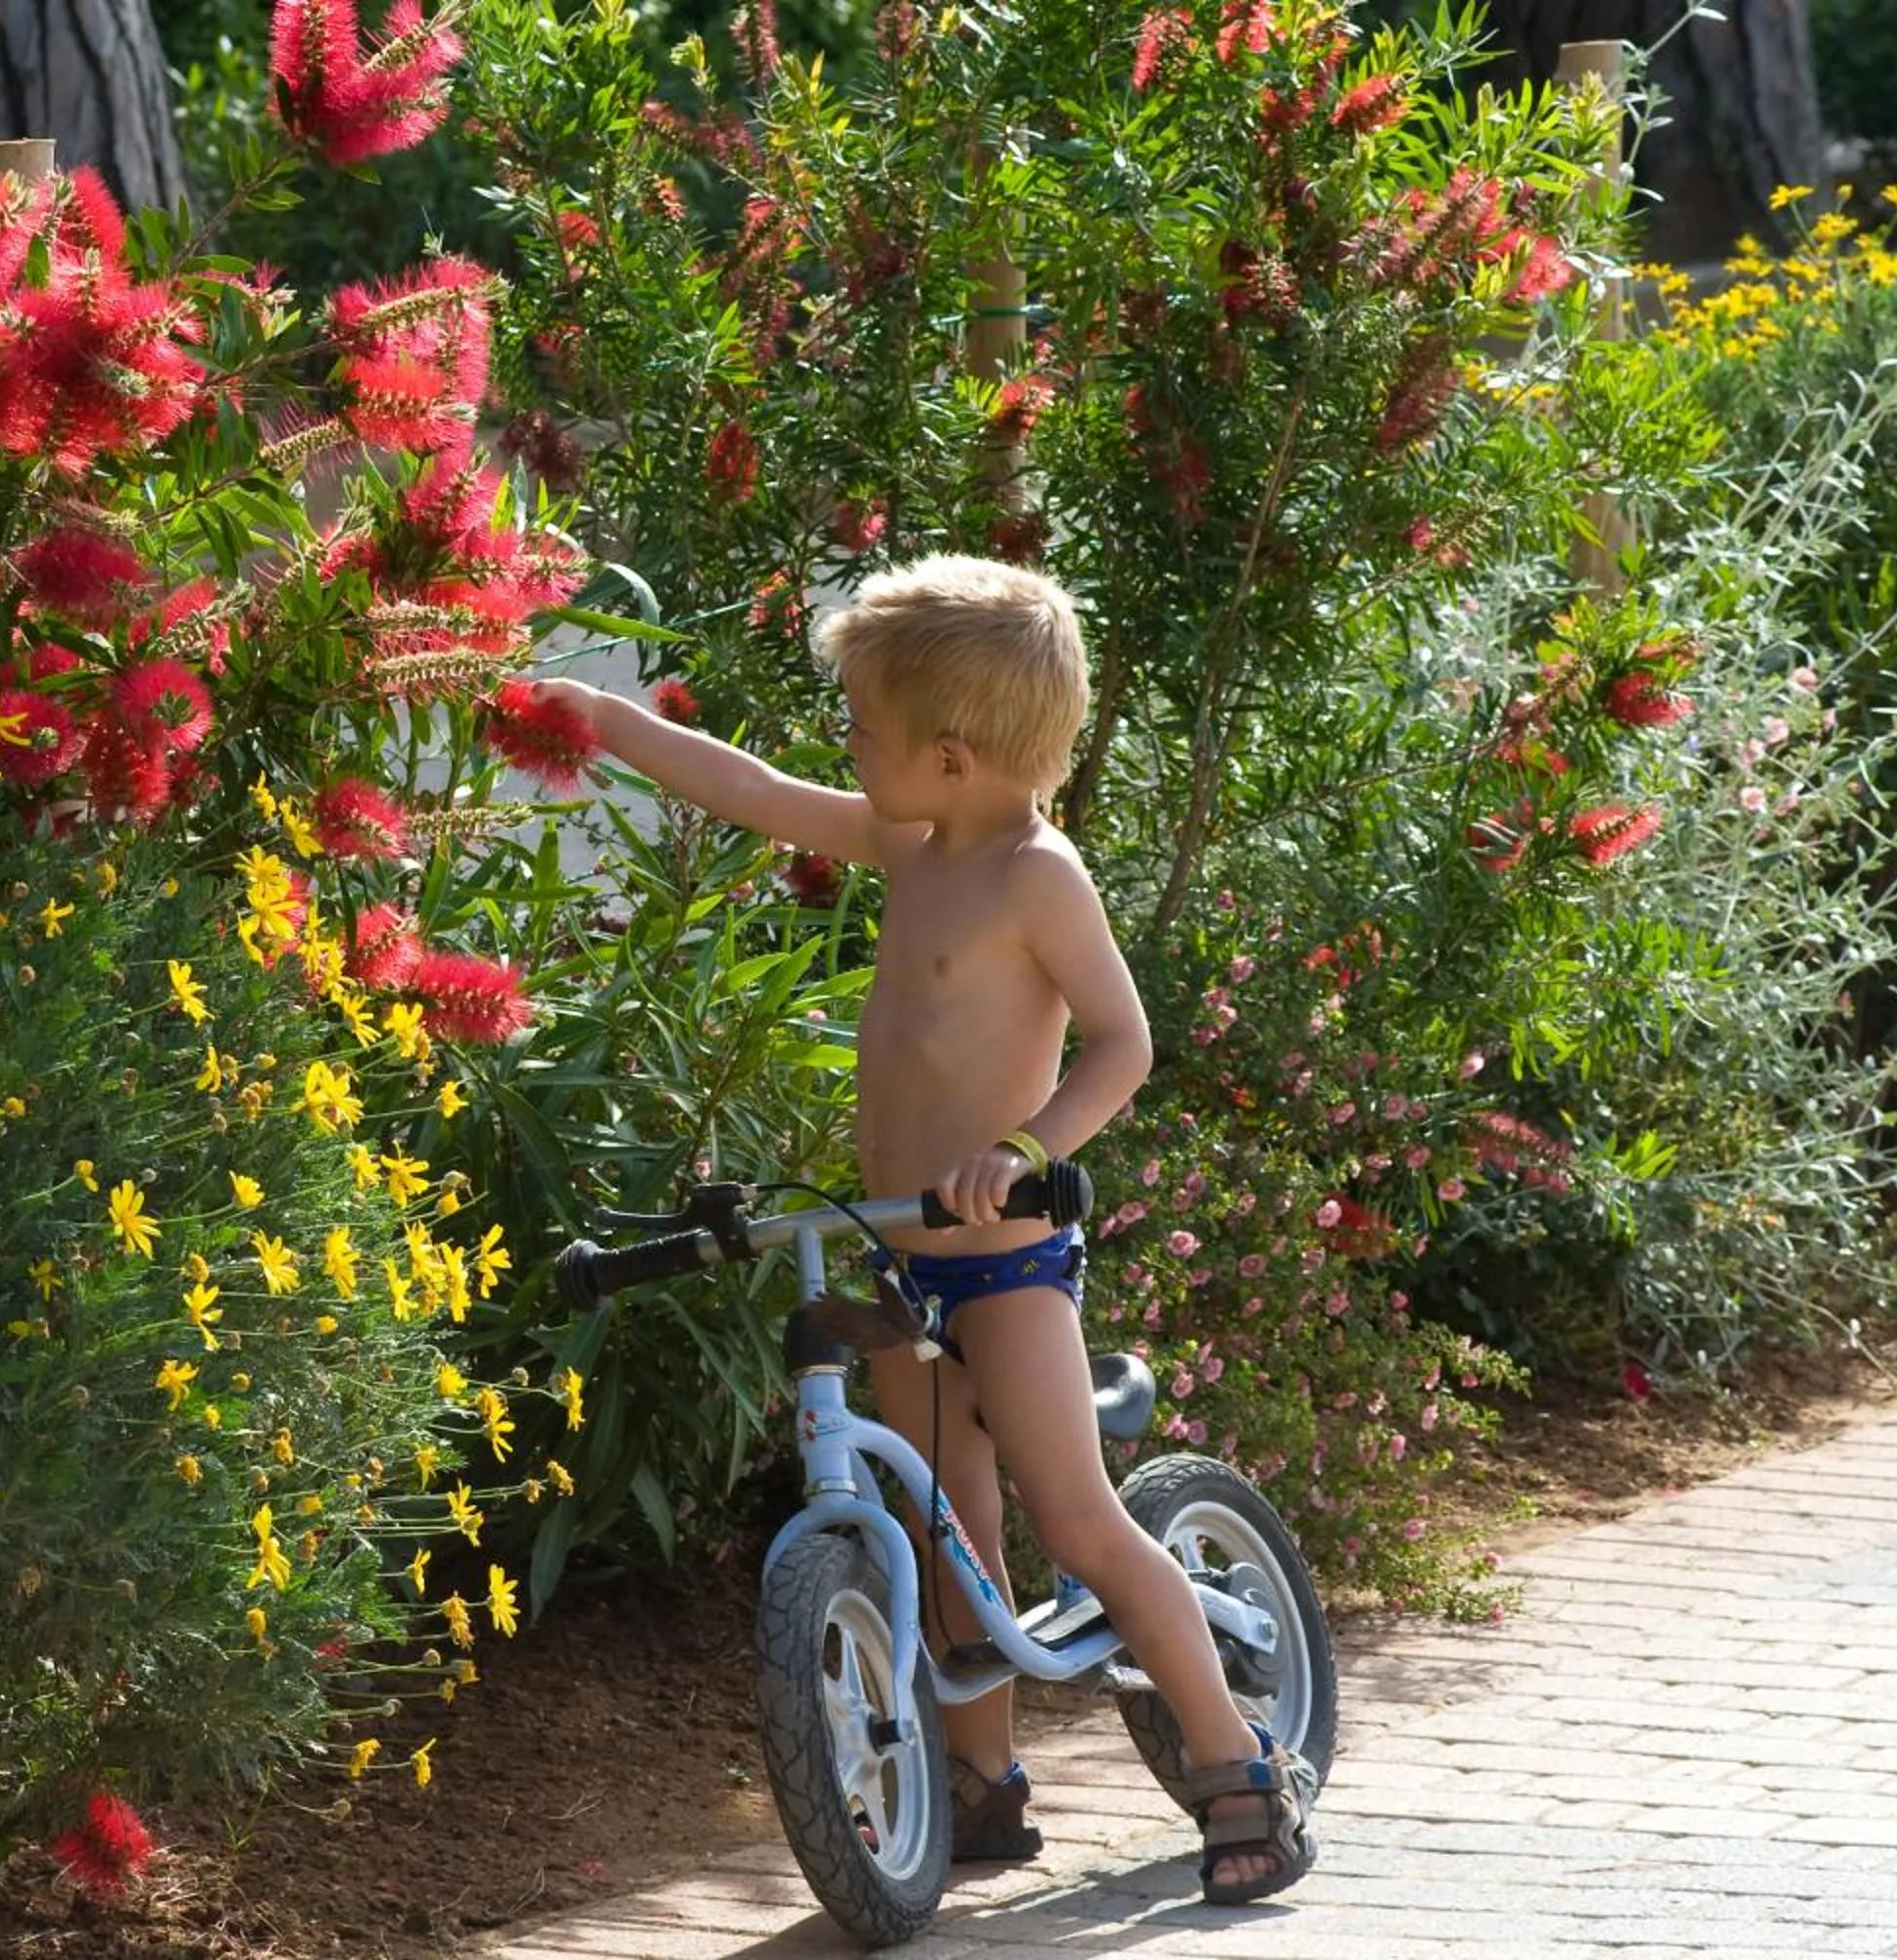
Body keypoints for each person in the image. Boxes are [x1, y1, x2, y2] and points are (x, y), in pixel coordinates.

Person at [523, 554, 1316, 1904]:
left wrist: (1026, 1150)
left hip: (1005, 1263)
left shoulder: (1037, 876)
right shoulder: (916, 841)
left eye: (863, 729)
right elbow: (753, 792)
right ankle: (985, 1779)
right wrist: (600, 719)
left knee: (1078, 1520)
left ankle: (1238, 1759)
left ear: (949, 757)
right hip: (899, 1258)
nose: (846, 745)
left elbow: (1122, 1045)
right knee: (949, 1524)